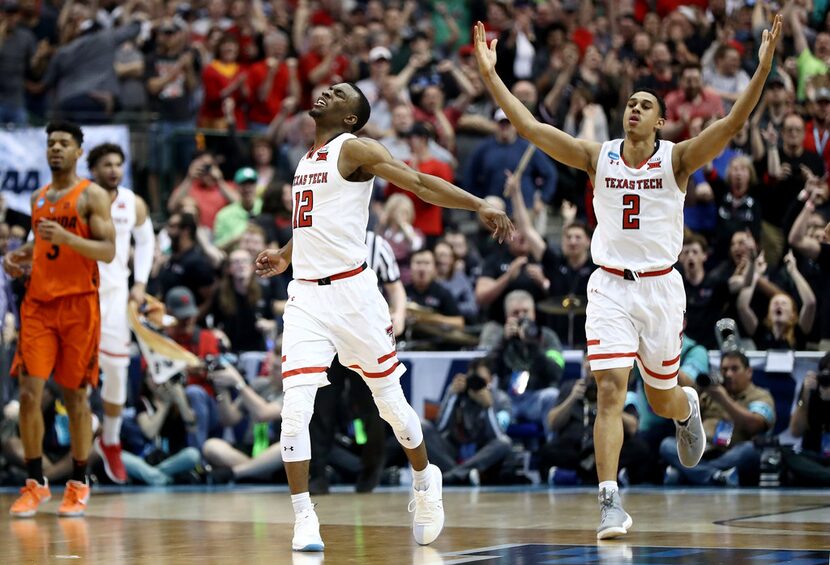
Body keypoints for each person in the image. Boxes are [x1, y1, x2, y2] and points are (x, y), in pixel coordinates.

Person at [474, 15, 782, 539]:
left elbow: (731, 124)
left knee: (661, 397)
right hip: (609, 285)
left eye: (645, 105)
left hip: (661, 288)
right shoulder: (598, 156)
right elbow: (529, 127)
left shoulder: (678, 159)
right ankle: (610, 501)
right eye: (630, 103)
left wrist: (763, 68)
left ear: (660, 122)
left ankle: (685, 409)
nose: (633, 109)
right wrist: (488, 74)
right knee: (609, 390)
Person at [254, 81, 513, 552]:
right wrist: (286, 255)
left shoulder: (354, 149)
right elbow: (310, 222)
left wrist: (478, 204)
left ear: (351, 117)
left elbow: (417, 182)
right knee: (295, 413)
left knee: (390, 406)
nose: (326, 93)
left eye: (338, 94)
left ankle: (424, 479)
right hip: (307, 299)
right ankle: (305, 518)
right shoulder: (306, 159)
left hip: (354, 296)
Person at [3, 121, 115, 517]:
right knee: (29, 392)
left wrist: (68, 239)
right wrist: (20, 258)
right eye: (51, 143)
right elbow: (43, 243)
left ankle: (79, 482)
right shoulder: (37, 198)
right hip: (38, 305)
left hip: (79, 306)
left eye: (64, 144)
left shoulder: (92, 197)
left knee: (75, 396)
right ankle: (34, 483)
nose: (56, 149)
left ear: (78, 152)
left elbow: (107, 251)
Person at [86, 142, 154, 485]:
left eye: (118, 163)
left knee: (116, 371)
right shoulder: (79, 197)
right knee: (78, 378)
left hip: (114, 297)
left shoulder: (132, 202)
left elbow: (147, 241)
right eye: (106, 164)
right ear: (93, 169)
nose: (114, 169)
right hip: (80, 296)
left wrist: (140, 283)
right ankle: (82, 444)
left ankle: (109, 438)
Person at [660, 351, 776, 487]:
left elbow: (754, 425)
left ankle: (692, 473)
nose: (728, 374)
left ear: (749, 372)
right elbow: (686, 417)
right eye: (724, 369)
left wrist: (724, 399)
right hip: (702, 451)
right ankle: (716, 476)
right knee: (667, 445)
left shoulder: (760, 395)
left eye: (734, 369)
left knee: (751, 450)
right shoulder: (710, 391)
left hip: (731, 453)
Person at [421, 358, 512, 486]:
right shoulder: (457, 392)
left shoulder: (501, 399)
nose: (475, 384)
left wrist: (488, 407)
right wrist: (453, 396)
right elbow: (441, 427)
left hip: (482, 455)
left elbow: (497, 435)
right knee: (421, 427)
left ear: (491, 379)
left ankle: (454, 476)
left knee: (504, 443)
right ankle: (462, 475)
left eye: (481, 380)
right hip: (452, 452)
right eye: (472, 379)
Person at [784, 352, 830, 486]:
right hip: (815, 456)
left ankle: (821, 476)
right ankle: (825, 476)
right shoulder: (812, 392)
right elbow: (796, 431)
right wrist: (805, 397)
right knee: (785, 452)